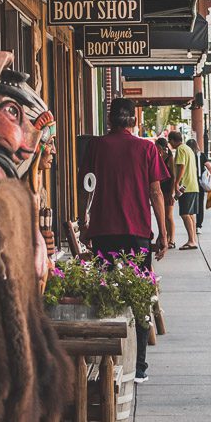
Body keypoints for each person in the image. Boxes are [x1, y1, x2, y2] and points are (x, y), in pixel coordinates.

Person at [82, 97, 168, 382]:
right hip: (138, 234)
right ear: (133, 120)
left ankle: (111, 361)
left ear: (109, 120)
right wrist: (164, 232)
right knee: (140, 298)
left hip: (103, 233)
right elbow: (156, 192)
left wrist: (85, 223)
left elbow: (87, 189)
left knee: (105, 295)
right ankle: (139, 366)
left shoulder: (95, 147)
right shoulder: (146, 148)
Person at [168, 128, 199, 249]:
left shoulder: (181, 149)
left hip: (185, 186)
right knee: (190, 214)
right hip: (193, 185)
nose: (169, 144)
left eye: (169, 141)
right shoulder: (188, 149)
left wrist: (176, 183)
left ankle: (191, 240)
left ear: (172, 140)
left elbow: (181, 166)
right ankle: (193, 239)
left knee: (185, 213)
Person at [155, 135, 176, 248]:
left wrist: (172, 192)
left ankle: (172, 239)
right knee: (162, 215)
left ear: (163, 147)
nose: (156, 148)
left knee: (168, 215)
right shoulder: (157, 157)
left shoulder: (169, 157)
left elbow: (173, 176)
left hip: (168, 190)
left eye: (157, 146)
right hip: (159, 189)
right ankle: (166, 237)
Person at [188, 137, 208, 231]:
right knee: (200, 205)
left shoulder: (188, 155)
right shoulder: (201, 155)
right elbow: (208, 166)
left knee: (190, 205)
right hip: (200, 183)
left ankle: (191, 224)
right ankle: (198, 225)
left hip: (190, 182)